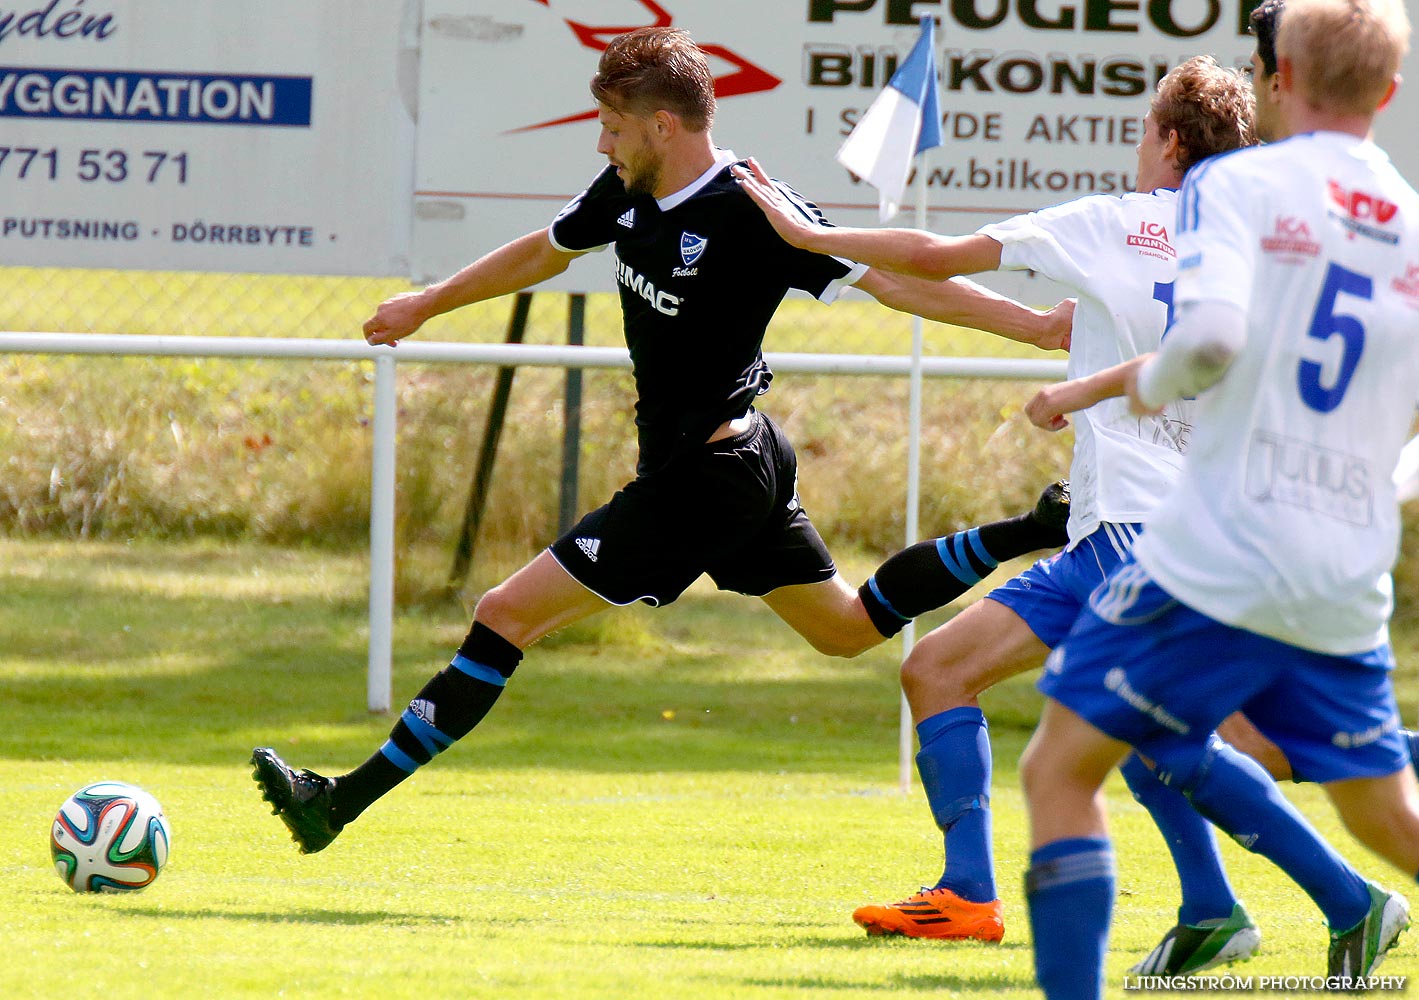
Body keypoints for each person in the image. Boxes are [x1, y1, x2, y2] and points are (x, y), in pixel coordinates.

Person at [247, 26, 1073, 856]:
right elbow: (541, 251)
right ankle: (1034, 530)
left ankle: (339, 803)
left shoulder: (755, 210)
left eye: (612, 124)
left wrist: (1035, 326)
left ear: (662, 127)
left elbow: (894, 281)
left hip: (705, 477)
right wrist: (430, 301)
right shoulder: (624, 189)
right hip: (734, 465)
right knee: (848, 629)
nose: (602, 141)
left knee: (504, 615)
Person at [734, 55, 1275, 949]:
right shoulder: (1250, 253)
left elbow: (938, 257)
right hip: (1208, 529)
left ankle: (1326, 891)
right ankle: (990, 894)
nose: (1140, 144)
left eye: (1145, 128)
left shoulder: (1114, 224)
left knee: (1233, 739)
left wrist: (806, 235)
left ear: (1171, 141)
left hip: (1134, 532)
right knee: (946, 671)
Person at [1018, 0, 1416, 993]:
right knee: (1382, 816)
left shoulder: (1238, 186)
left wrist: (1119, 387)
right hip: (1343, 567)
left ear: (1278, 73)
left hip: (1222, 548)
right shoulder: (1408, 221)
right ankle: (1238, 907)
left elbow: (1205, 343)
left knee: (1059, 767)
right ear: (1390, 92)